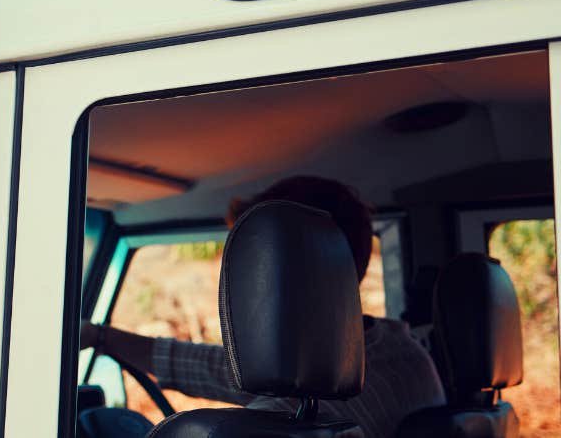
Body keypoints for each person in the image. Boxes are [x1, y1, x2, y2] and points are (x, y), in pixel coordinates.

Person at [81, 176, 444, 438]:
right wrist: (100, 336)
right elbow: (213, 366)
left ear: (278, 277)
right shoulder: (401, 351)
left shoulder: (287, 421)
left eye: (249, 266)